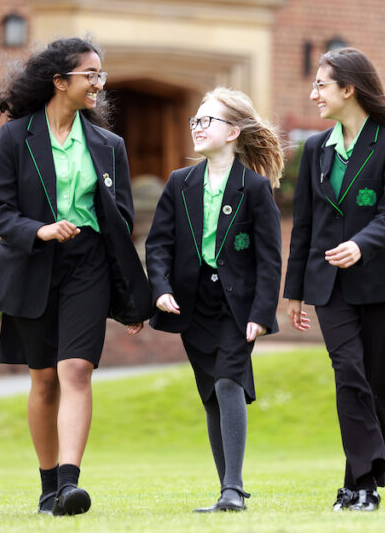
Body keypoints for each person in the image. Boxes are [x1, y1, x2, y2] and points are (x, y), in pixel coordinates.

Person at [0, 36, 151, 517]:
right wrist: (39, 230)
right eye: (89, 75)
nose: (98, 83)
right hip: (33, 262)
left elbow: (121, 223)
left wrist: (133, 297)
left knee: (77, 369)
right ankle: (48, 484)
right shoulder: (16, 137)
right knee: (45, 379)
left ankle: (71, 485)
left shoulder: (109, 145)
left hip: (88, 264)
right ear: (60, 81)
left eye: (101, 75)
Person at [283, 47, 385, 512]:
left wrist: (362, 244)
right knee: (348, 372)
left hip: (381, 281)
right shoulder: (316, 149)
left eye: (321, 84)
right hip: (329, 287)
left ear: (348, 89)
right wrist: (295, 291)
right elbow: (304, 225)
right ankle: (368, 474)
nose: (313, 92)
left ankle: (358, 483)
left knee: (372, 380)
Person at [144, 87, 283, 513]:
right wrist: (161, 287)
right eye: (195, 121)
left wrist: (262, 313)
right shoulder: (178, 183)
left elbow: (270, 258)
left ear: (233, 132)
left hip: (237, 308)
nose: (198, 127)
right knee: (211, 393)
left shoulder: (254, 188)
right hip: (193, 305)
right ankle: (227, 488)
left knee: (228, 381)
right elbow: (158, 245)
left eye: (208, 121)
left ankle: (234, 489)